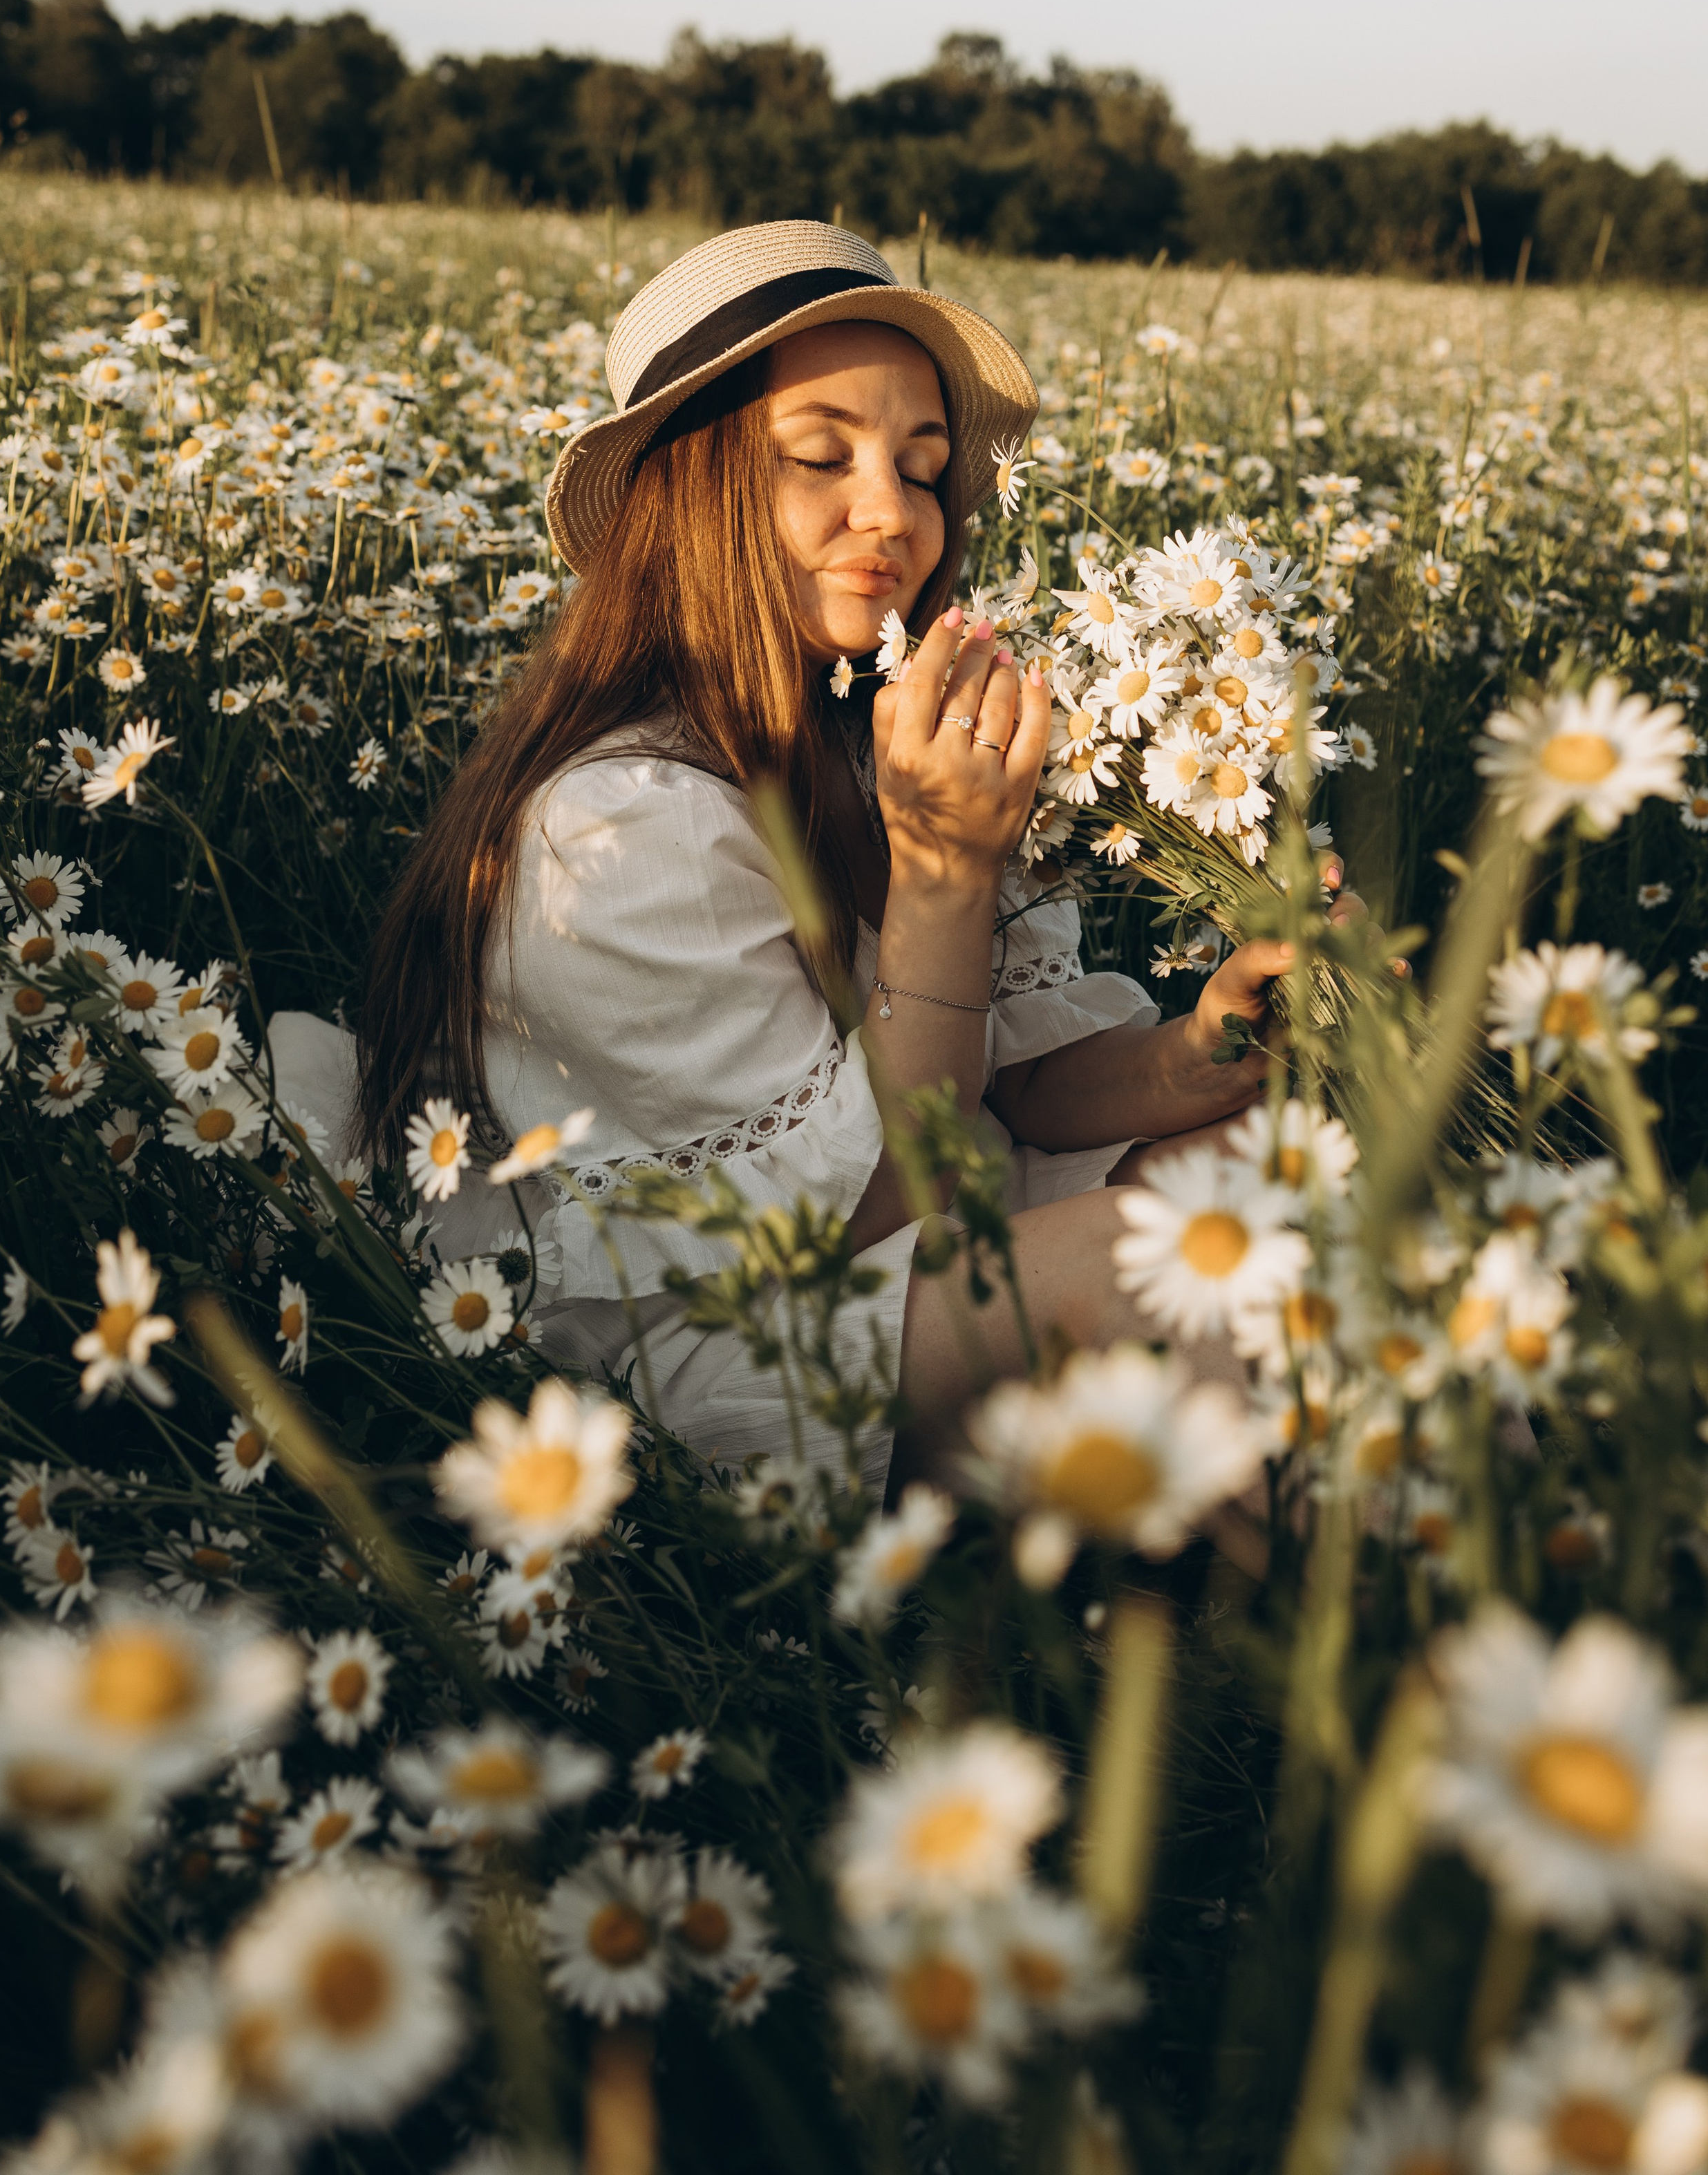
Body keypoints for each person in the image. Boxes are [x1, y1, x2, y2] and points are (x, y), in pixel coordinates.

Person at [272, 220, 1359, 1498]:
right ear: (691, 494)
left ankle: (1381, 1522)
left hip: (916, 1219)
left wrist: (1208, 1047)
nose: (893, 513)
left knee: (1260, 1161)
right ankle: (1374, 1560)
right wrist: (945, 873)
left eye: (923, 467)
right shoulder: (616, 830)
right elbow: (871, 1203)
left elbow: (1013, 1082)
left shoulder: (872, 730)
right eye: (819, 456)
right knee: (1171, 1259)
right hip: (706, 1344)